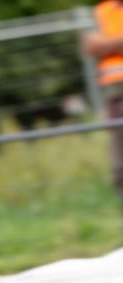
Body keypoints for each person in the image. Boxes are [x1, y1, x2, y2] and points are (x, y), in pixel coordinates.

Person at [85, 1, 123, 199]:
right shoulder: (102, 11)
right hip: (114, 93)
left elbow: (100, 45)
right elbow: (90, 45)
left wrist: (107, 44)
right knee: (119, 155)